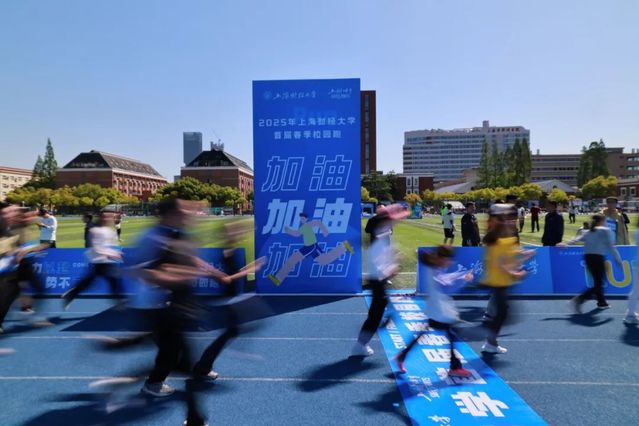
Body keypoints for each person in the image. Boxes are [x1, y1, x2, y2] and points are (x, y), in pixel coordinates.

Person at [131, 198, 229, 426]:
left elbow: (191, 259)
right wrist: (180, 277)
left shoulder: (174, 233)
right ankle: (193, 416)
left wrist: (214, 273)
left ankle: (153, 383)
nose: (189, 214)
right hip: (156, 306)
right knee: (180, 359)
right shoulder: (153, 238)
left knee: (173, 354)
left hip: (173, 305)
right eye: (184, 211)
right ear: (169, 215)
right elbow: (144, 272)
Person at [193, 221, 265, 380]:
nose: (237, 233)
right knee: (230, 332)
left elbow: (233, 273)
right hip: (227, 301)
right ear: (226, 235)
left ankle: (203, 366)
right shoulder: (227, 252)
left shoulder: (231, 250)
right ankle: (203, 367)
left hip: (232, 300)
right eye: (233, 231)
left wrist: (249, 267)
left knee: (231, 332)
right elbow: (227, 279)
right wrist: (251, 270)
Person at [395, 245, 473, 377]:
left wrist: (461, 276)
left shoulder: (434, 267)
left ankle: (402, 355)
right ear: (442, 259)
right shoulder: (433, 270)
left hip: (437, 309)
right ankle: (455, 367)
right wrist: (463, 279)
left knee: (428, 333)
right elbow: (445, 287)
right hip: (439, 311)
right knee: (450, 335)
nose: (450, 262)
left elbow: (446, 279)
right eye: (449, 259)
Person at [353, 204, 408, 356]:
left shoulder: (382, 234)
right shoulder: (380, 233)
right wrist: (389, 270)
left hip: (378, 278)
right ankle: (361, 344)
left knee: (379, 308)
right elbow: (378, 260)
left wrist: (392, 265)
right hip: (377, 278)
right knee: (376, 314)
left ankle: (364, 339)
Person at [479, 204, 532, 354]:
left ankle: (490, 341)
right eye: (509, 220)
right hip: (498, 282)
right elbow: (501, 262)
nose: (512, 223)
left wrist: (525, 255)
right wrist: (516, 273)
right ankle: (489, 342)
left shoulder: (504, 239)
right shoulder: (498, 241)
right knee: (502, 314)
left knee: (502, 313)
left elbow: (512, 254)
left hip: (501, 281)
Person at [266, 213, 353, 286]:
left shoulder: (308, 224)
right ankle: (344, 246)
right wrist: (288, 230)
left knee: (293, 259)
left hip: (311, 246)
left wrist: (325, 231)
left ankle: (278, 279)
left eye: (303, 218)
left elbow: (318, 223)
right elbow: (297, 234)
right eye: (301, 218)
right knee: (324, 261)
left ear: (306, 219)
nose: (302, 219)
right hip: (309, 247)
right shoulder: (303, 227)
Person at [62, 211, 123, 309]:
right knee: (111, 280)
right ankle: (119, 302)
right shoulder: (94, 231)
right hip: (98, 261)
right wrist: (112, 254)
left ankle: (70, 295)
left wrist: (115, 253)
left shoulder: (111, 231)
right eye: (105, 217)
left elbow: (111, 246)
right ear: (100, 218)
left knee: (98, 281)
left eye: (110, 217)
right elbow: (96, 247)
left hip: (107, 261)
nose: (108, 219)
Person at [561, 214, 622, 312]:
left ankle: (602, 303)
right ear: (601, 221)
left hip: (588, 258)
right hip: (597, 258)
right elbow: (611, 247)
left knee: (597, 281)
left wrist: (565, 243)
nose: (606, 223)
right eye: (604, 221)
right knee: (599, 282)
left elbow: (576, 239)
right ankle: (579, 299)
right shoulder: (605, 230)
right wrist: (618, 260)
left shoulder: (587, 231)